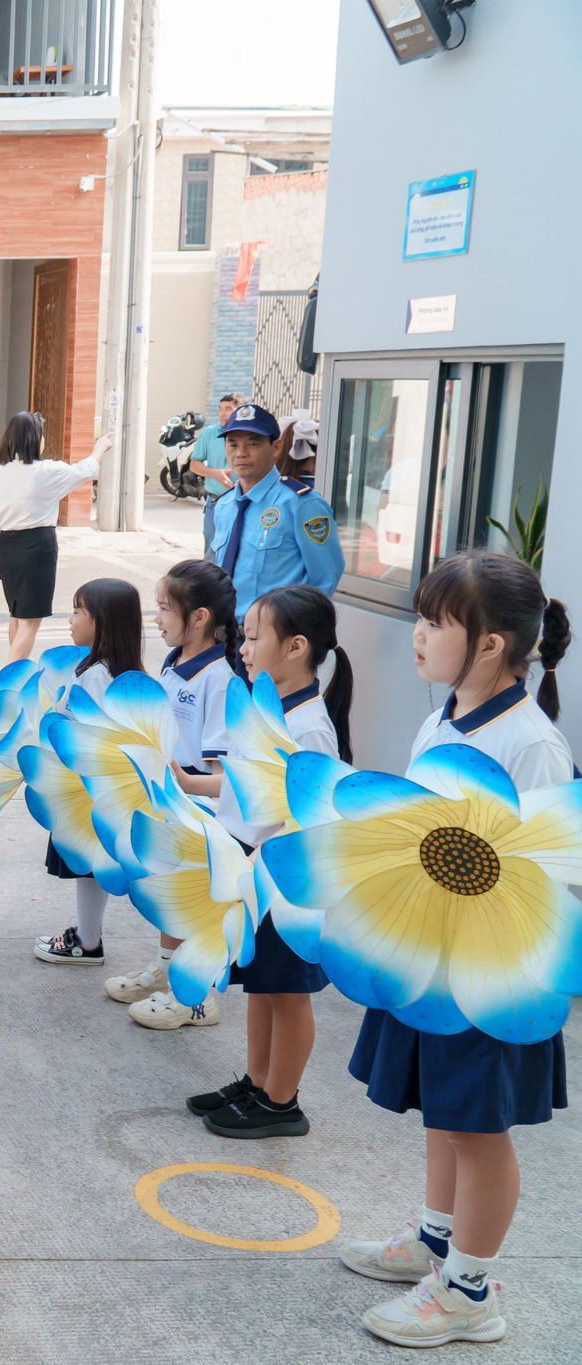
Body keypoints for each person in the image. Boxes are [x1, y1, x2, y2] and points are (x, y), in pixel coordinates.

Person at [338, 550, 570, 1348]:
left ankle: (471, 1288)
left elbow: (554, 874)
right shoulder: (443, 717)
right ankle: (436, 1243)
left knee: (479, 1127)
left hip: (493, 972)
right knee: (446, 1114)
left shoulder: (531, 743)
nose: (420, 634)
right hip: (432, 957)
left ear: (492, 645)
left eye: (436, 621)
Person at [166, 583, 352, 1135]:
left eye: (252, 638)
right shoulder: (268, 707)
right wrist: (187, 783)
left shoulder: (308, 726)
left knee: (289, 994)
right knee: (263, 987)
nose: (241, 648)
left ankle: (281, 1101)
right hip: (254, 868)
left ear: (296, 647)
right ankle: (256, 1081)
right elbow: (246, 781)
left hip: (288, 880)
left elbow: (307, 815)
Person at [95, 561, 239, 1012]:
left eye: (163, 609)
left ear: (198, 617)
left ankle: (198, 998)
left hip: (198, 808)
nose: (155, 619)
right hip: (170, 798)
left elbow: (227, 775)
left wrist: (186, 785)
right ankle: (167, 967)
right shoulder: (175, 661)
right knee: (172, 892)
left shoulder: (220, 680)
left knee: (195, 900)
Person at [30, 579, 145, 962]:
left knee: (90, 867)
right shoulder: (115, 669)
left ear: (103, 623)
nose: (71, 618)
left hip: (88, 790)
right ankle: (87, 936)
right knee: (92, 867)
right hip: (101, 789)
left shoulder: (96, 675)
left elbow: (85, 735)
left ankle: (88, 941)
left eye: (79, 611)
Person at [0, 414, 113, 664]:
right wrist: (100, 447)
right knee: (30, 621)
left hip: (7, 548)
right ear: (34, 439)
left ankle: (14, 671)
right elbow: (86, 470)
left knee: (17, 615)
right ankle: (10, 680)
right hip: (36, 547)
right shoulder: (47, 471)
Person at [205, 402, 343, 618]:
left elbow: (325, 577)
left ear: (276, 447)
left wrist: (292, 629)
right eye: (233, 445)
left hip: (275, 638)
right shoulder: (224, 505)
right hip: (226, 634)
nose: (241, 453)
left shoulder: (301, 505)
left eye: (252, 444)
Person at [193, 394, 244, 551]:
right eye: (220, 409)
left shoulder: (247, 435)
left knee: (239, 549)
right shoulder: (209, 433)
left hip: (242, 500)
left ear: (241, 411)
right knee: (211, 551)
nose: (223, 413)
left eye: (228, 409)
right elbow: (194, 465)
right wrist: (216, 473)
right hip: (215, 501)